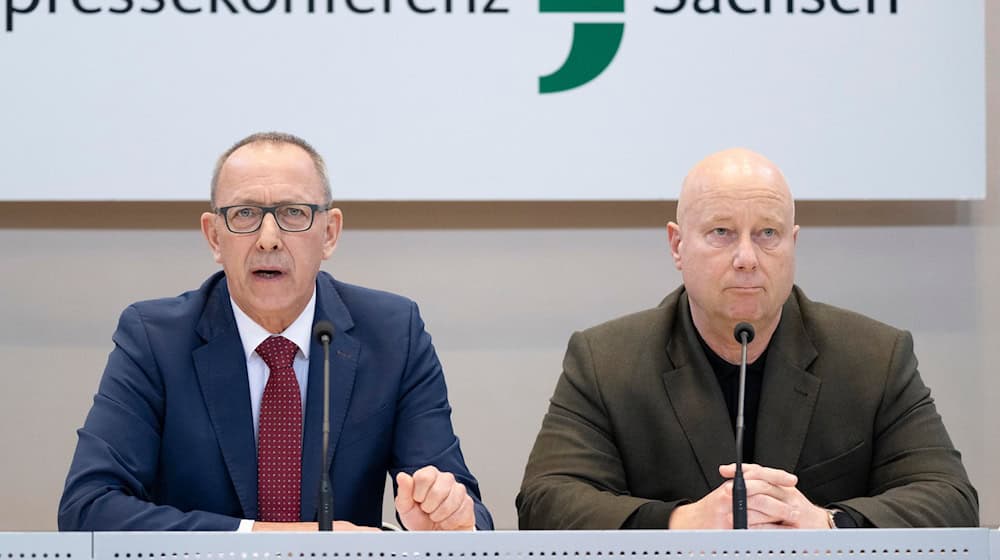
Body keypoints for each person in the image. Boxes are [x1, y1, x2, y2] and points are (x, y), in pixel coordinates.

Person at [516, 148, 978, 530]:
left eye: (768, 234)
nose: (746, 258)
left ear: (793, 242)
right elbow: (545, 502)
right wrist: (682, 522)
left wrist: (827, 525)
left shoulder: (875, 357)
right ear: (677, 245)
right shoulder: (606, 361)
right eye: (721, 232)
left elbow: (950, 500)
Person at [59, 132, 492, 532]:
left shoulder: (393, 334)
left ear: (330, 233)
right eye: (245, 213)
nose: (269, 238)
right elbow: (88, 507)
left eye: (292, 213)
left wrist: (449, 520)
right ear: (214, 236)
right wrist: (275, 541)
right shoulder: (155, 339)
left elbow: (467, 509)